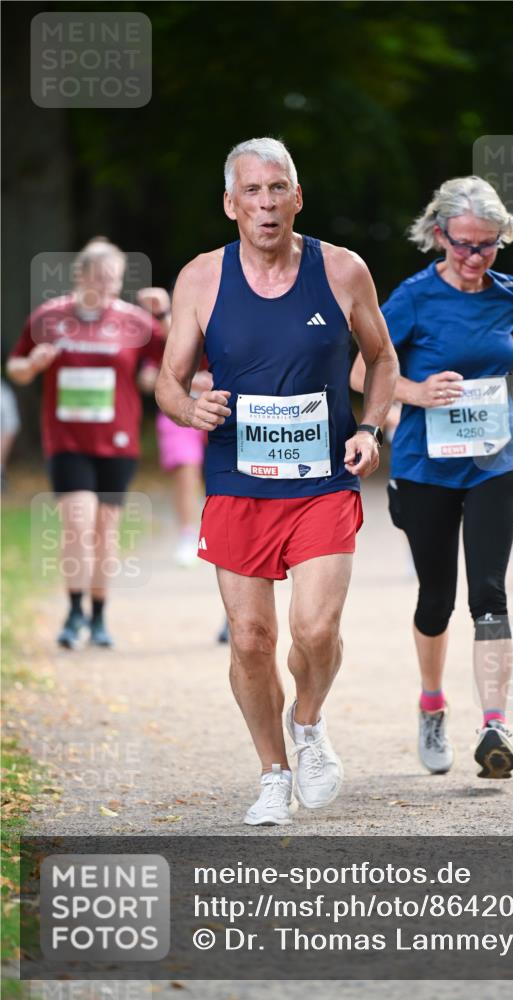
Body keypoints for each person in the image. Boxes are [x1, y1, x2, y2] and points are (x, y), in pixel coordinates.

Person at [156, 137, 397, 825]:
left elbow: (381, 360)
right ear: (230, 204)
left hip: (322, 478)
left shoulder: (342, 270)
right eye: (252, 192)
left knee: (315, 629)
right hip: (237, 480)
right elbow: (168, 383)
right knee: (251, 638)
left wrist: (369, 428)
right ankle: (271, 771)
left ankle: (310, 722)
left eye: (277, 189)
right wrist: (188, 407)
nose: (266, 204)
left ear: (298, 196)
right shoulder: (201, 278)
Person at [352, 176, 513, 780]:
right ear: (439, 235)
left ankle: (495, 723)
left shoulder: (510, 291)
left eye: (486, 245)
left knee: (489, 592)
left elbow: (507, 343)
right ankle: (432, 705)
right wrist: (414, 391)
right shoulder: (411, 298)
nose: (473, 258)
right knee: (436, 598)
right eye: (462, 244)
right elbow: (363, 370)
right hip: (425, 466)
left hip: (495, 461)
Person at [7, 238, 164, 649]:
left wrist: (155, 361)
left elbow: (171, 358)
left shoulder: (134, 322)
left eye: (113, 280)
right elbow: (16, 367)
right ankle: (74, 612)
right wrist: (34, 364)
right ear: (80, 276)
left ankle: (98, 617)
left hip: (117, 441)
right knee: (77, 523)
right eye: (99, 279)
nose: (107, 288)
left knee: (104, 530)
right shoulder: (50, 317)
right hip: (66, 439)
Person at [138, 286, 212, 567]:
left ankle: (228, 535)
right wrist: (187, 381)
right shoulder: (158, 338)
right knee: (186, 469)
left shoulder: (222, 326)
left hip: (223, 409)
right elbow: (146, 378)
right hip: (178, 410)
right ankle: (187, 535)